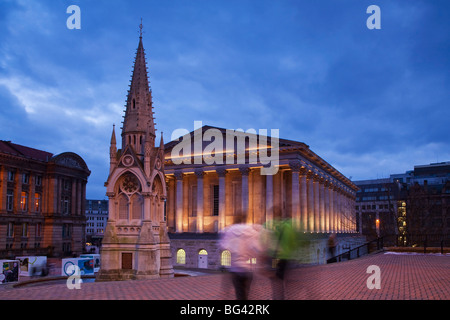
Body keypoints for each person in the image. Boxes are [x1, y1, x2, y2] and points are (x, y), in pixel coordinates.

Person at [219, 223, 264, 300]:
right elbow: (258, 249)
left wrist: (226, 263)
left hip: (235, 268)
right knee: (246, 291)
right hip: (248, 268)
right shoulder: (252, 231)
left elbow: (223, 247)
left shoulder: (231, 230)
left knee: (239, 293)